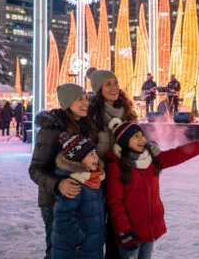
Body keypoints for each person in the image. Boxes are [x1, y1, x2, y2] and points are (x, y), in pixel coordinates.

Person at [105, 120, 199, 259]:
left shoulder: (151, 159)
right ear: (125, 140)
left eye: (142, 135)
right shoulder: (116, 165)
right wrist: (123, 232)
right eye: (135, 136)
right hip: (130, 231)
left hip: (149, 229)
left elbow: (178, 154)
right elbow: (115, 201)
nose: (141, 140)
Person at [29, 83, 92, 259]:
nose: (85, 102)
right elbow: (35, 169)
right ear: (67, 102)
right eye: (79, 99)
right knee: (58, 250)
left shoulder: (85, 126)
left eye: (86, 98)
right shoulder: (51, 130)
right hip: (53, 201)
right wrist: (58, 184)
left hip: (79, 199)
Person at [86, 67, 137, 259]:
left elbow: (136, 140)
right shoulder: (91, 115)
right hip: (99, 178)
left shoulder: (128, 111)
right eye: (108, 84)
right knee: (97, 227)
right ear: (98, 89)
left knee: (120, 226)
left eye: (115, 82)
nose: (114, 87)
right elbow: (86, 149)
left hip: (123, 176)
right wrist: (101, 162)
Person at [52, 134, 105, 258]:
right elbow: (63, 216)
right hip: (76, 250)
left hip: (91, 245)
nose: (96, 157)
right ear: (78, 159)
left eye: (95, 153)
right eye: (91, 154)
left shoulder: (93, 180)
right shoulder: (74, 183)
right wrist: (79, 240)